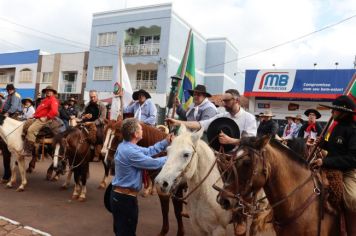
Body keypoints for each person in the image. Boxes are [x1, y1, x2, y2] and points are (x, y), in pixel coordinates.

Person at [111, 118, 172, 236]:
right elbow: (154, 163)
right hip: (125, 199)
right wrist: (174, 157)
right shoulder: (130, 151)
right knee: (126, 232)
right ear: (135, 134)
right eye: (141, 129)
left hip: (123, 197)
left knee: (123, 230)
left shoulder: (127, 146)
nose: (143, 130)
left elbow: (149, 151)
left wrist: (165, 141)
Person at [311, 95, 356, 234]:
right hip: (328, 166)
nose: (332, 113)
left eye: (334, 110)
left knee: (352, 200)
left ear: (343, 113)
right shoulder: (336, 128)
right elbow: (334, 148)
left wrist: (325, 161)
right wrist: (323, 143)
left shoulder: (353, 130)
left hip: (348, 171)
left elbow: (353, 158)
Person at [167, 89, 256, 148]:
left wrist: (231, 141)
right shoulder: (222, 116)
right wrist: (177, 122)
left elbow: (251, 142)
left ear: (237, 100)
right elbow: (200, 124)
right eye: (223, 101)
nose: (224, 104)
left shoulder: (249, 118)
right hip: (220, 154)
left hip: (239, 157)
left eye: (227, 101)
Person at [24, 86, 59, 155]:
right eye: (47, 90)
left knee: (31, 130)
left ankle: (29, 150)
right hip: (37, 118)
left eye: (50, 91)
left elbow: (54, 111)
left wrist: (46, 117)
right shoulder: (44, 100)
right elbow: (39, 111)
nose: (48, 92)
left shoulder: (53, 100)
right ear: (45, 92)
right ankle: (29, 141)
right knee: (25, 125)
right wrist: (33, 115)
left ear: (53, 92)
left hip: (45, 119)